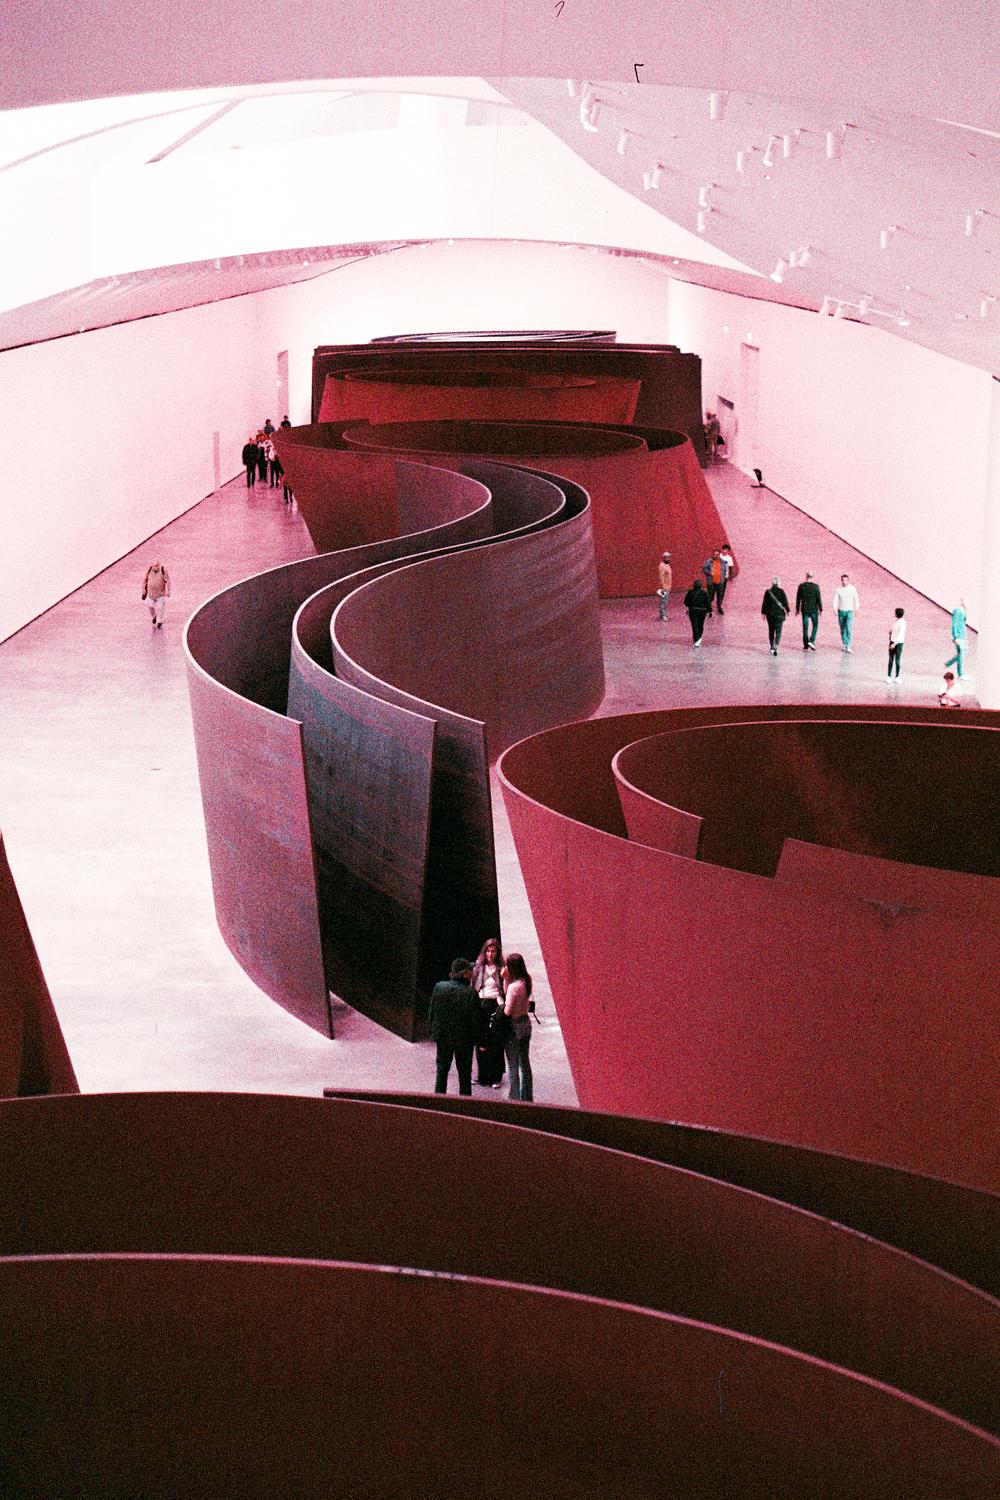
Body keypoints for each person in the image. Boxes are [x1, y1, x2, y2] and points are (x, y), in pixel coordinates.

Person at [427, 958, 480, 1095]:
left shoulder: (439, 987)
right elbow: (475, 1021)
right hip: (464, 1040)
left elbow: (432, 1011)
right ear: (465, 973)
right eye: (470, 970)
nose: (472, 973)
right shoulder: (471, 993)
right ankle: (464, 1103)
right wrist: (479, 1040)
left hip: (443, 1036)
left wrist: (432, 1031)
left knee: (442, 1071)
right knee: (464, 1074)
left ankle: (438, 1102)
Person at [472, 938, 506, 1087]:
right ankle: (482, 1075)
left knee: (495, 1042)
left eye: (493, 951)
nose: (490, 954)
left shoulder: (501, 968)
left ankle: (496, 1076)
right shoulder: (478, 968)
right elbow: (473, 986)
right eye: (488, 951)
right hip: (481, 1004)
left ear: (497, 953)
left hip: (495, 1005)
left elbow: (505, 989)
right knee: (481, 1041)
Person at [501, 952, 534, 1102]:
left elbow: (507, 1011)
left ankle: (514, 1098)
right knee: (524, 1062)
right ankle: (527, 1096)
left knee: (513, 1065)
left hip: (513, 1028)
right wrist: (506, 979)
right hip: (525, 1024)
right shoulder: (526, 980)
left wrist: (500, 1003)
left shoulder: (514, 987)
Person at [761, 577, 790, 654]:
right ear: (778, 583)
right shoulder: (781, 591)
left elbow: (765, 603)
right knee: (778, 631)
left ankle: (771, 647)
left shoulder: (768, 592)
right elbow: (785, 602)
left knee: (771, 630)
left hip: (770, 615)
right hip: (779, 615)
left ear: (772, 583)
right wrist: (788, 611)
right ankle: (776, 646)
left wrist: (763, 613)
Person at [833, 573, 860, 652]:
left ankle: (848, 645)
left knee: (849, 628)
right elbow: (835, 599)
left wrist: (856, 609)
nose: (844, 582)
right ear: (841, 581)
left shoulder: (852, 589)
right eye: (843, 580)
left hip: (849, 611)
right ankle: (844, 643)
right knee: (842, 628)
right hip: (841, 610)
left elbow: (856, 598)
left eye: (846, 580)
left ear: (848, 581)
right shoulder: (838, 589)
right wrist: (835, 609)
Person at [795, 571, 822, 649]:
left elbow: (798, 599)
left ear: (806, 577)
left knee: (805, 627)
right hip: (813, 609)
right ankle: (811, 641)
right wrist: (820, 609)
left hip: (805, 609)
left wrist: (797, 609)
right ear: (812, 577)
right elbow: (818, 598)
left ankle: (806, 645)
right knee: (815, 625)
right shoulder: (816, 586)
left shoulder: (801, 586)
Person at [141, 560, 171, 629]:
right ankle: (154, 616)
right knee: (150, 606)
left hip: (160, 595)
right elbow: (144, 581)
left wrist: (168, 591)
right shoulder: (148, 571)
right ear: (152, 566)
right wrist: (143, 591)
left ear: (159, 565)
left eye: (157, 566)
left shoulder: (163, 571)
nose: (156, 567)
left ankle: (159, 621)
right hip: (150, 594)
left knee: (160, 608)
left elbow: (168, 581)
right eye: (154, 566)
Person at [701, 549, 731, 615]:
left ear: (719, 555)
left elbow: (725, 570)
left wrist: (724, 578)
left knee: (719, 596)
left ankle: (719, 608)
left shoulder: (723, 562)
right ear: (713, 555)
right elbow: (703, 569)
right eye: (714, 554)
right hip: (711, 583)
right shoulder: (709, 561)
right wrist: (709, 572)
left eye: (717, 554)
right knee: (710, 596)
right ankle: (709, 609)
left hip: (720, 583)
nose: (716, 556)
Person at [683, 577, 711, 646]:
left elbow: (686, 602)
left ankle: (696, 639)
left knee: (694, 625)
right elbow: (708, 603)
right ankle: (700, 636)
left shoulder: (690, 592)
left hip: (693, 611)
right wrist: (710, 611)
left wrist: (690, 606)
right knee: (701, 624)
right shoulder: (704, 593)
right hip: (702, 611)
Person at [945, 597, 968, 678]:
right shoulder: (957, 611)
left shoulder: (963, 611)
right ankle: (961, 674)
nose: (967, 603)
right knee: (961, 654)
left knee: (962, 653)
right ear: (962, 601)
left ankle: (948, 664)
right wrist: (955, 637)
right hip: (959, 636)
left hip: (963, 635)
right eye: (966, 601)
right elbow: (954, 624)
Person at [887, 606, 906, 680]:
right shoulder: (896, 621)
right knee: (890, 660)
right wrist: (891, 632)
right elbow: (894, 630)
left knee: (897, 660)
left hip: (898, 643)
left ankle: (897, 676)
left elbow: (900, 634)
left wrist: (894, 643)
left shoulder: (902, 623)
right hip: (892, 641)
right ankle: (889, 676)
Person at [656, 551, 672, 620]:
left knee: (665, 601)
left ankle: (662, 615)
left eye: (669, 557)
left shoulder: (667, 565)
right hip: (664, 587)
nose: (668, 559)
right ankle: (663, 616)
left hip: (668, 587)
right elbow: (661, 577)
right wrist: (663, 587)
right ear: (664, 558)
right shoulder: (662, 566)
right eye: (667, 557)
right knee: (663, 601)